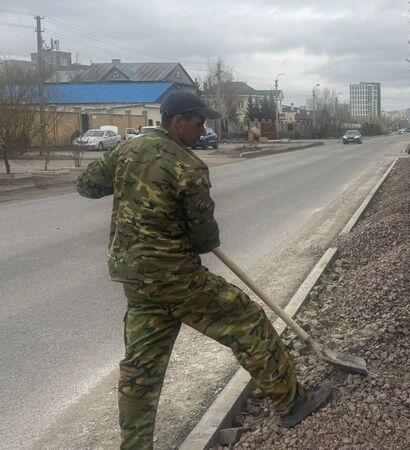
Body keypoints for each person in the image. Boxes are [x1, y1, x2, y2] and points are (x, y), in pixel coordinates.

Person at [75, 91, 330, 449]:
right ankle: (292, 403)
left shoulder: (127, 150)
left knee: (141, 372)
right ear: (178, 123)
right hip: (177, 279)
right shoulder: (188, 167)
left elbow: (87, 185)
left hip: (136, 280)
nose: (202, 129)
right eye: (198, 123)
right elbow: (202, 237)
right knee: (246, 321)